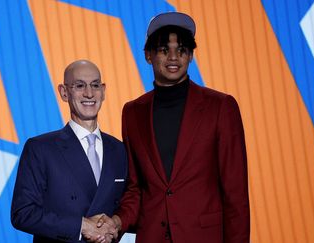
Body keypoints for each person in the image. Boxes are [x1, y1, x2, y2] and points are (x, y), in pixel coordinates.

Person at [99, 12, 250, 243]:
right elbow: (135, 187)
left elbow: (235, 193)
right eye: (163, 50)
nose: (173, 57)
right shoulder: (132, 112)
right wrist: (117, 222)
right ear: (148, 55)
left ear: (190, 56)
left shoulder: (220, 106)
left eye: (181, 50)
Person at [11, 60, 127, 243]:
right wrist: (80, 226)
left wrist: (115, 223)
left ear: (103, 91)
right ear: (64, 92)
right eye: (79, 85)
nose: (89, 93)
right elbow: (23, 213)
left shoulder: (119, 149)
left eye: (95, 85)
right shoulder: (40, 148)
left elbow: (131, 204)